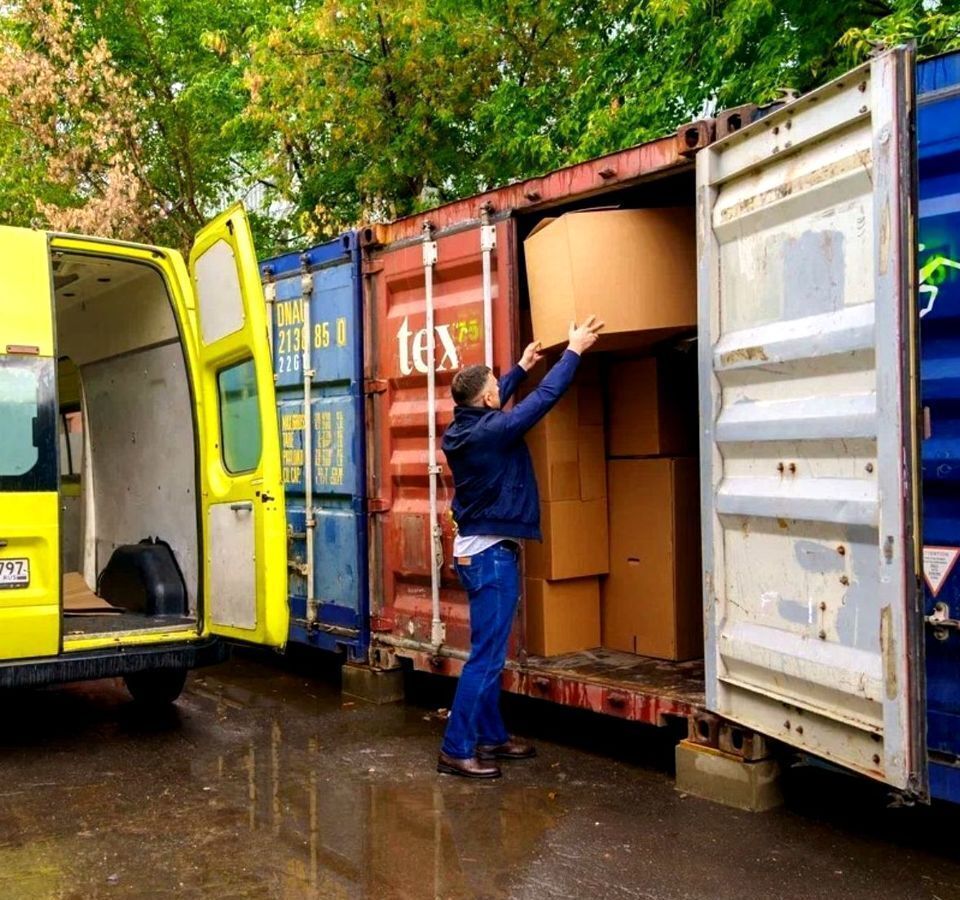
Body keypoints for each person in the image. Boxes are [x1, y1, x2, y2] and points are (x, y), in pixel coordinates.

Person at [437, 316, 604, 778]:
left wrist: (518, 368)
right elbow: (544, 401)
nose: (500, 390)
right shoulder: (492, 431)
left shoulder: (464, 426)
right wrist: (573, 351)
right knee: (486, 659)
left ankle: (490, 737)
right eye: (497, 386)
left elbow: (492, 405)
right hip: (491, 557)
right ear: (488, 398)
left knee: (488, 652)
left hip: (479, 552)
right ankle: (456, 748)